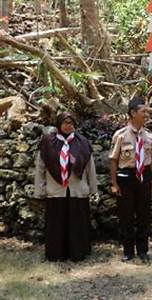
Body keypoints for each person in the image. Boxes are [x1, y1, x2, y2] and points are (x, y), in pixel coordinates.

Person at [34, 112, 97, 262]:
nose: (68, 126)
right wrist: (40, 189)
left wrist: (93, 189)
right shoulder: (49, 142)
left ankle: (78, 252)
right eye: (65, 123)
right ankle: (56, 254)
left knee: (77, 223)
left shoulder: (82, 142)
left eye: (70, 123)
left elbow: (90, 167)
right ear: (59, 124)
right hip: (56, 191)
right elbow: (40, 167)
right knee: (56, 223)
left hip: (77, 190)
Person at [109, 96, 152, 263]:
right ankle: (128, 251)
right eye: (143, 111)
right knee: (126, 215)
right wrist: (114, 183)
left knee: (144, 214)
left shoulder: (149, 136)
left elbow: (151, 159)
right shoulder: (120, 135)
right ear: (133, 113)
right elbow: (114, 160)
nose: (146, 114)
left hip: (144, 176)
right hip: (126, 177)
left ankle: (143, 250)